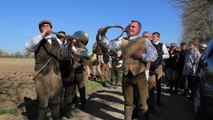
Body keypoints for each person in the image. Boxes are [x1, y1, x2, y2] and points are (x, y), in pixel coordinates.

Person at [98, 20, 158, 120]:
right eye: (130, 26)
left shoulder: (144, 40)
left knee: (143, 102)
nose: (130, 28)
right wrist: (103, 35)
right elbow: (108, 45)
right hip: (126, 75)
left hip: (140, 75)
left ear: (139, 29)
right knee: (128, 102)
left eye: (133, 27)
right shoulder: (122, 40)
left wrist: (142, 56)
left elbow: (154, 55)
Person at [25, 20, 62, 120]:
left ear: (51, 28)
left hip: (56, 73)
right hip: (42, 75)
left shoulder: (57, 41)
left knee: (55, 102)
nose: (46, 27)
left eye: (48, 26)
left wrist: (70, 41)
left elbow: (65, 51)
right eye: (43, 26)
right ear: (40, 29)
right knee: (43, 103)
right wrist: (42, 35)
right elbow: (27, 46)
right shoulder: (37, 41)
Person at [56, 31, 75, 119]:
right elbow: (64, 56)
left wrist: (72, 43)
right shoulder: (56, 44)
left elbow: (77, 53)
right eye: (62, 37)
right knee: (60, 93)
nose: (63, 38)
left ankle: (68, 111)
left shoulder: (70, 45)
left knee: (69, 93)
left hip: (70, 72)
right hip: (60, 72)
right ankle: (61, 111)